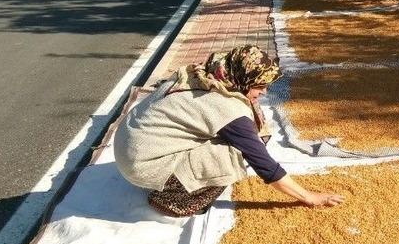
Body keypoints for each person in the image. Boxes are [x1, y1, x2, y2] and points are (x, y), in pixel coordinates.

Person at [113, 45, 344, 217]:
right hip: (140, 164)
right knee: (235, 154)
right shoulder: (228, 110)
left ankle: (168, 179)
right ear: (244, 80)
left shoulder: (209, 73)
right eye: (260, 86)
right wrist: (309, 197)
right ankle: (173, 201)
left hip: (130, 144)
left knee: (244, 138)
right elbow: (264, 165)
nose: (264, 92)